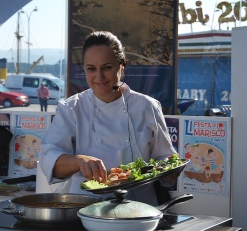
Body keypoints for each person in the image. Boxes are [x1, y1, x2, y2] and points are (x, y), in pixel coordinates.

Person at [39, 31, 177, 205]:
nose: (99, 77)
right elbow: (49, 159)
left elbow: (165, 156)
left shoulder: (147, 106)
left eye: (107, 67)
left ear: (121, 66)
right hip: (85, 207)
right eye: (91, 69)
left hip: (141, 209)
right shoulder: (72, 108)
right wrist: (79, 161)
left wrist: (169, 169)